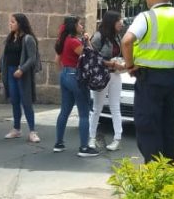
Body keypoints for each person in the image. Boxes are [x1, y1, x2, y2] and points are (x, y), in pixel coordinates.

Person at [122, 0, 174, 164]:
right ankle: (168, 169)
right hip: (173, 79)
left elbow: (126, 42)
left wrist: (130, 66)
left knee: (148, 126)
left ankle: (154, 171)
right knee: (167, 126)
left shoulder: (146, 17)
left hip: (150, 80)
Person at [54, 16, 99, 157]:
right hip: (75, 76)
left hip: (65, 74)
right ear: (73, 26)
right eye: (80, 24)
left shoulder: (64, 40)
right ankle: (84, 147)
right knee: (84, 113)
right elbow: (90, 56)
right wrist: (88, 41)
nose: (82, 26)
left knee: (64, 111)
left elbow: (57, 60)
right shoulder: (74, 41)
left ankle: (59, 143)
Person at [1, 13, 42, 143]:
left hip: (22, 74)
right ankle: (16, 129)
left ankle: (32, 131)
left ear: (20, 23)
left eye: (13, 22)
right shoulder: (10, 38)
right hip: (10, 72)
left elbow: (32, 58)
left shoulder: (28, 39)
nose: (10, 24)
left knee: (26, 102)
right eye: (10, 21)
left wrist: (22, 69)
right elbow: (5, 57)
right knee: (14, 101)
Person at [88, 10, 126, 151]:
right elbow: (91, 57)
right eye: (118, 20)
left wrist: (121, 64)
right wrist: (111, 64)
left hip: (115, 75)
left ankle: (117, 138)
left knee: (115, 107)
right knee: (97, 108)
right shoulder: (98, 37)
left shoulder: (117, 36)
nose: (121, 23)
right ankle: (91, 137)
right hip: (101, 76)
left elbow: (120, 53)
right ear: (111, 22)